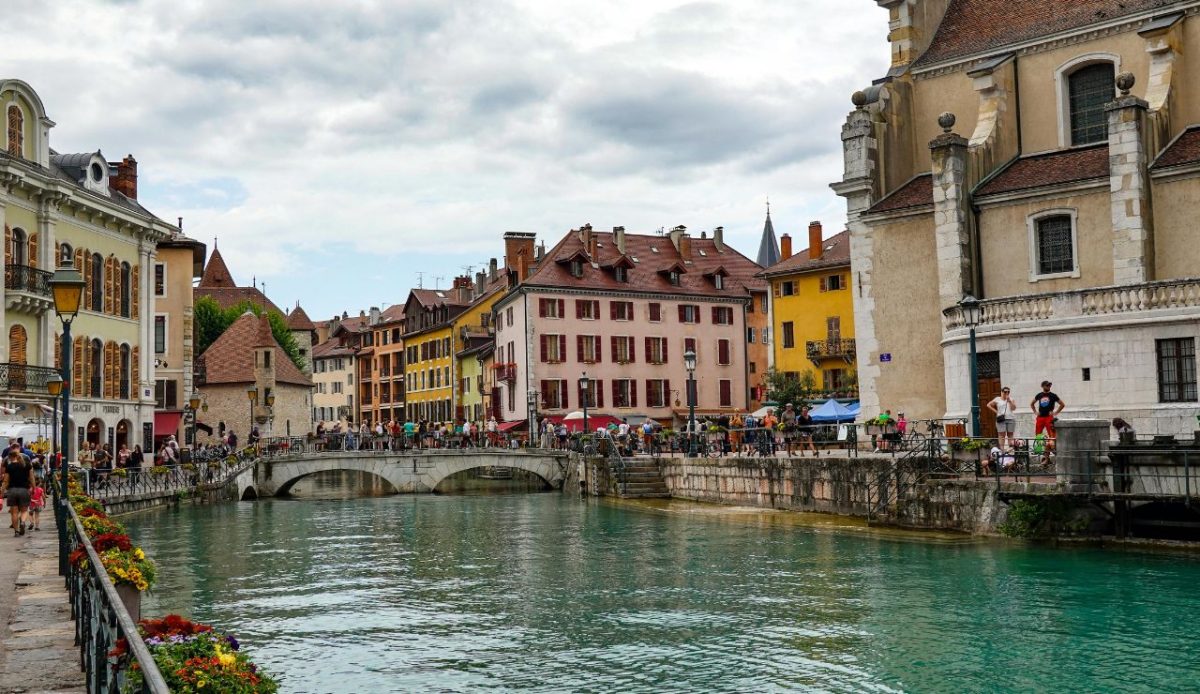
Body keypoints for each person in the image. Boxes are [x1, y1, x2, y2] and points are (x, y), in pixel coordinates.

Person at [3, 451, 33, 536]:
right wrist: (34, 487)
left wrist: (2, 492)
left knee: (14, 513)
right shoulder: (27, 465)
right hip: (24, 490)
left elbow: (5, 481)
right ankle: (23, 522)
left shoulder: (9, 466)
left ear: (10, 457)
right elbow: (31, 478)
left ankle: (16, 531)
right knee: (24, 511)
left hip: (12, 491)